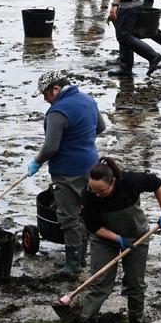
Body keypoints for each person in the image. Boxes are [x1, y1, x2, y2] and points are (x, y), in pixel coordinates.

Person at [75, 157, 161, 323]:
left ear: (113, 182)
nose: (97, 194)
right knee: (100, 282)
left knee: (135, 283)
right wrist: (118, 239)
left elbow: (157, 184)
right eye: (94, 190)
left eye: (102, 191)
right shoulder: (88, 195)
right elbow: (94, 227)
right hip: (104, 240)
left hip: (137, 237)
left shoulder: (130, 181)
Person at [28, 70, 105, 278]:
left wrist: (36, 161)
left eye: (45, 94)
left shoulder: (57, 112)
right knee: (85, 214)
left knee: (69, 217)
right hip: (92, 167)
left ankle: (73, 264)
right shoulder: (88, 100)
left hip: (67, 172)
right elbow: (101, 127)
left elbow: (51, 147)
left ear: (56, 89)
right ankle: (80, 257)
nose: (45, 99)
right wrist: (80, 138)